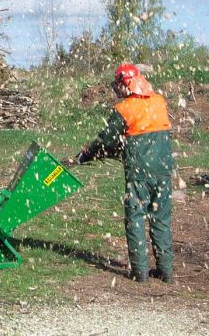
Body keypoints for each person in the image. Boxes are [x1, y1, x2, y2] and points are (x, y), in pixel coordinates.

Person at [66, 63, 175, 283]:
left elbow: (105, 140)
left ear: (125, 84)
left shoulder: (124, 109)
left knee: (135, 218)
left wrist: (84, 156)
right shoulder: (159, 101)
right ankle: (167, 272)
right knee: (160, 219)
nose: (117, 89)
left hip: (139, 173)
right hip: (163, 171)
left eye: (118, 85)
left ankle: (140, 273)